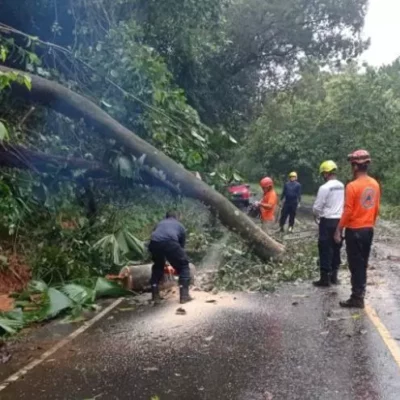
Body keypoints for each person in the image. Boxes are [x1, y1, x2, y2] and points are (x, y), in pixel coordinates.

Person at [334, 150, 380, 309]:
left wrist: (338, 229)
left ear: (355, 166)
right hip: (368, 229)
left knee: (355, 265)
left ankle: (357, 297)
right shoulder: (374, 184)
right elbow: (376, 208)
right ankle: (359, 294)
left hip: (355, 230)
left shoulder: (352, 186)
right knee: (363, 263)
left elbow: (348, 211)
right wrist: (370, 223)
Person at [148, 210, 192, 304]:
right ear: (177, 217)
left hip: (154, 243)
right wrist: (176, 262)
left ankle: (155, 295)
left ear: (166, 217)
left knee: (158, 266)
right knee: (184, 265)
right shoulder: (180, 225)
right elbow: (181, 246)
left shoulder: (159, 223)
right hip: (170, 243)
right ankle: (184, 296)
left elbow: (154, 235)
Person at [312, 161, 344, 287]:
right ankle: (334, 276)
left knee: (325, 248)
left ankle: (324, 278)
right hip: (339, 221)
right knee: (337, 247)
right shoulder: (342, 185)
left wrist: (316, 215)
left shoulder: (324, 188)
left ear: (326, 173)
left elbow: (317, 207)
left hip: (327, 220)